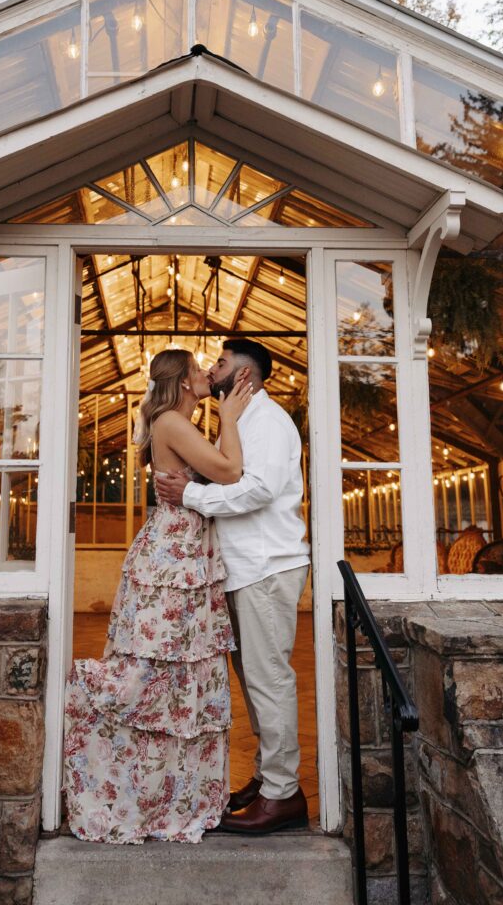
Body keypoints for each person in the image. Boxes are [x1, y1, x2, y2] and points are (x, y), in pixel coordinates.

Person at [63, 348, 252, 843]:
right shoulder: (171, 421)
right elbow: (231, 471)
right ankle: (87, 697)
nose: (207, 371)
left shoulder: (178, 422)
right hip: (174, 557)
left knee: (181, 678)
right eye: (198, 368)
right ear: (185, 382)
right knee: (157, 673)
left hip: (185, 551)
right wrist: (229, 416)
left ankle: (172, 794)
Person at [156, 339, 311, 835]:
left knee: (269, 680)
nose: (212, 367)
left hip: (266, 567)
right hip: (245, 570)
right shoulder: (241, 422)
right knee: (255, 680)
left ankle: (282, 796)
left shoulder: (267, 421)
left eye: (220, 363)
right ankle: (271, 780)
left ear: (243, 375)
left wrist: (192, 494)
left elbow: (259, 488)